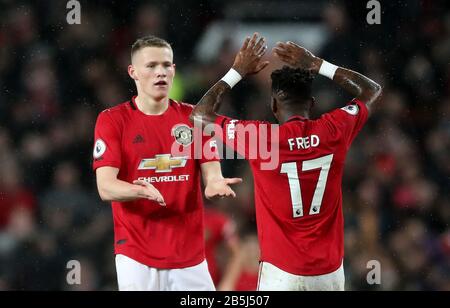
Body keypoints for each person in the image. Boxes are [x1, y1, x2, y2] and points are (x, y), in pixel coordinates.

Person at [190, 33, 382, 290]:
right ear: (312, 104)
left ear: (273, 106)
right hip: (329, 273)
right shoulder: (333, 130)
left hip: (281, 273)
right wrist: (317, 64)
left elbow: (200, 115)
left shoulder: (260, 138)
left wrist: (237, 71)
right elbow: (371, 90)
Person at [92, 35, 242, 291]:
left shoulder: (196, 118)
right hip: (136, 254)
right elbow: (106, 187)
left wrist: (215, 185)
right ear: (133, 72)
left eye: (166, 65)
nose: (160, 72)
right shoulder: (113, 120)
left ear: (173, 70)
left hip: (189, 255)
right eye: (151, 66)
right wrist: (140, 190)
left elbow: (212, 175)